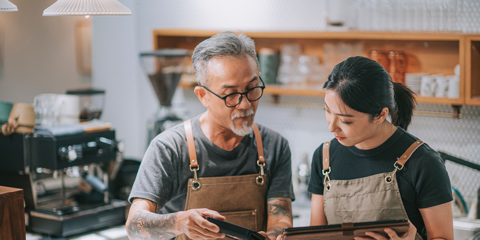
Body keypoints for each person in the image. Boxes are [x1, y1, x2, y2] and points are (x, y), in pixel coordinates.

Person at [126, 31, 294, 240]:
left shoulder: (274, 146)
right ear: (203, 96)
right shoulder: (170, 148)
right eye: (231, 94)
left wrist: (272, 236)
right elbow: (134, 225)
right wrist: (179, 222)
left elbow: (281, 218)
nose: (245, 104)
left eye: (252, 88)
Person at [308, 56, 453, 240]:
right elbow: (315, 236)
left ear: (381, 115)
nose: (331, 127)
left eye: (346, 120)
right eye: (327, 111)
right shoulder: (324, 156)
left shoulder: (423, 162)